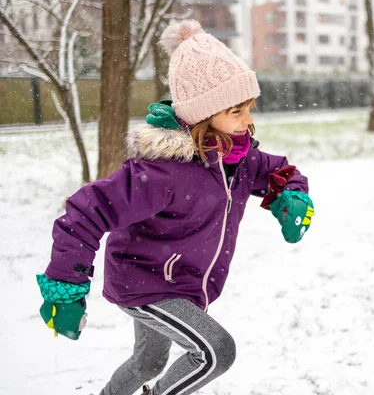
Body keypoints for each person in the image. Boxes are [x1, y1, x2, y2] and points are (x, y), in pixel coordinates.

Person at [35, 20, 314, 395]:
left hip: (181, 285)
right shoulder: (163, 172)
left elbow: (280, 172)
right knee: (216, 351)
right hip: (146, 283)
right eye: (237, 111)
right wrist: (65, 288)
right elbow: (86, 213)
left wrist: (292, 197)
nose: (248, 120)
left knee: (148, 362)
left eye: (249, 107)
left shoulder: (239, 159)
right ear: (204, 114)